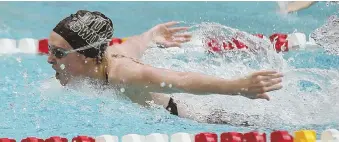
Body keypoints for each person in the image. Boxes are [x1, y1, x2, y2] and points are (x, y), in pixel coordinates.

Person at [47, 10, 283, 122]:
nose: (49, 59)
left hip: (193, 115)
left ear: (87, 55)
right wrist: (151, 36)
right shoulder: (107, 55)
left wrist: (236, 87)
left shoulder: (123, 74)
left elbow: (181, 80)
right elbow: (134, 44)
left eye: (58, 53)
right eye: (49, 51)